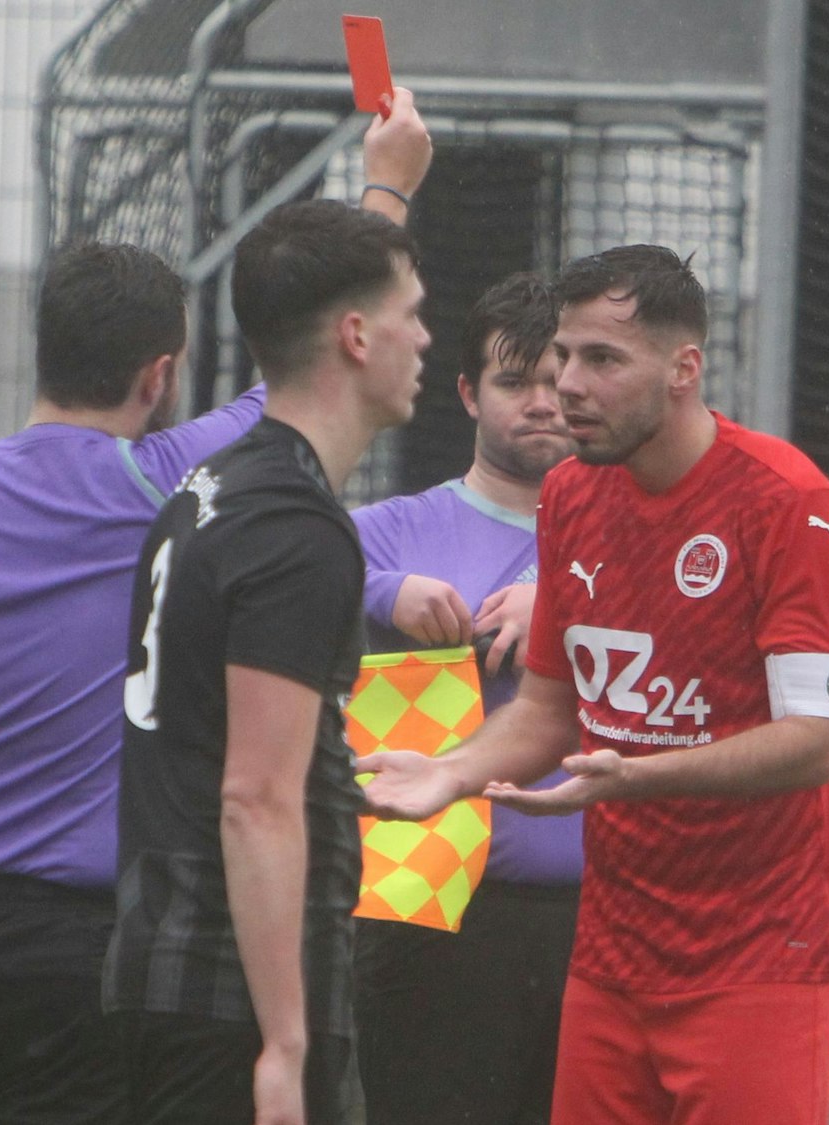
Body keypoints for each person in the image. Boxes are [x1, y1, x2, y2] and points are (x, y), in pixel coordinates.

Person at [0, 94, 431, 1124]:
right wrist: (386, 183)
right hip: (90, 950)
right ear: (159, 376)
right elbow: (304, 380)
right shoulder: (179, 487)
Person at [361, 244, 829, 1125]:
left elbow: (813, 744)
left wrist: (636, 772)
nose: (566, 388)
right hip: (612, 955)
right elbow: (548, 711)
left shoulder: (790, 503)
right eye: (560, 358)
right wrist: (454, 773)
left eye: (601, 360)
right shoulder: (573, 498)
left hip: (759, 959)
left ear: (683, 368)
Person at [103, 197, 430, 1125]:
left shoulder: (210, 488)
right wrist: (285, 1042)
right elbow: (255, 795)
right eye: (414, 313)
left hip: (169, 965)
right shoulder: (291, 524)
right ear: (358, 335)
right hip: (230, 997)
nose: (426, 337)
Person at [347, 272, 582, 1125]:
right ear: (467, 394)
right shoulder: (393, 529)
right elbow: (281, 561)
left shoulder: (628, 540)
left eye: (559, 379)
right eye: (514, 381)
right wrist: (387, 592)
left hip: (596, 913)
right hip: (433, 910)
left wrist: (561, 605)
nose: (543, 403)